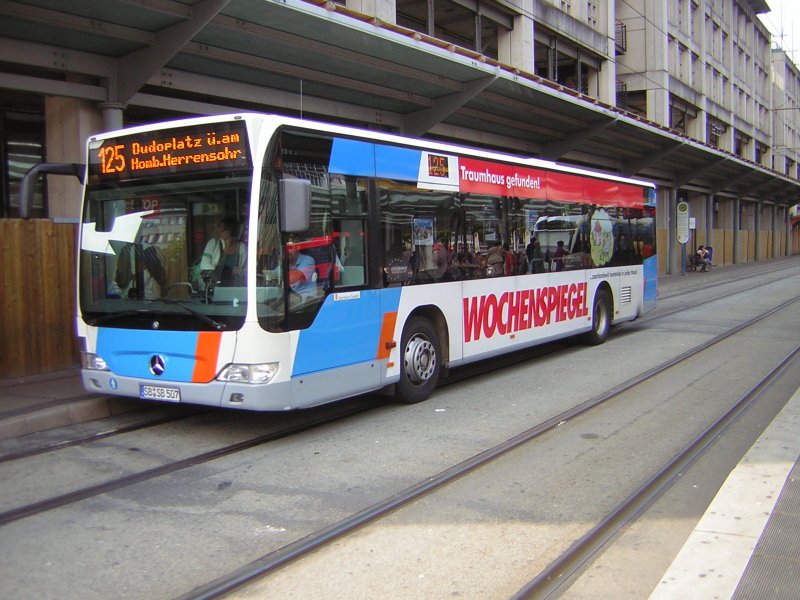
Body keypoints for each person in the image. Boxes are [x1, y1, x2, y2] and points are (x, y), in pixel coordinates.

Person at [199, 217, 246, 287]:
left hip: (235, 287)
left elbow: (245, 271)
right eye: (219, 228)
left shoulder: (242, 248)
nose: (220, 231)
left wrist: (239, 272)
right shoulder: (213, 244)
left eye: (224, 229)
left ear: (231, 230)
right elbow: (204, 265)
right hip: (214, 286)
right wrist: (229, 271)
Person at [285, 235, 317, 301]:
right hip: (291, 301)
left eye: (290, 247)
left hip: (307, 302)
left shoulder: (308, 260)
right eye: (286, 248)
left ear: (298, 247)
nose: (288, 251)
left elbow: (292, 278)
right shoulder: (286, 261)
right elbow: (273, 273)